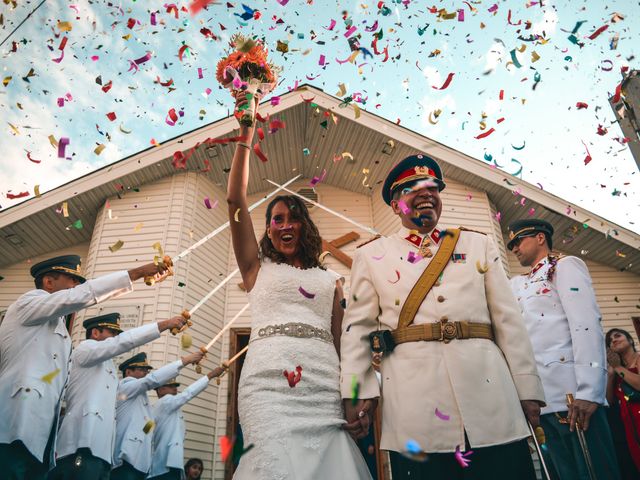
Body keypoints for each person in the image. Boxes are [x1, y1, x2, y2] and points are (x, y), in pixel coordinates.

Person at [340, 154, 546, 479]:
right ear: (395, 205)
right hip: (415, 412)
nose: (425, 192)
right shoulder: (370, 255)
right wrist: (358, 392)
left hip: (491, 400)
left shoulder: (478, 244)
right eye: (411, 188)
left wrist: (527, 389)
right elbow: (357, 332)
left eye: (432, 187)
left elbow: (509, 322)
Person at [226, 92, 371, 479]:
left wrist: (351, 399)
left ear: (304, 225)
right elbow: (234, 197)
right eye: (276, 219)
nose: (285, 224)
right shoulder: (256, 269)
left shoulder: (331, 281)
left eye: (292, 218)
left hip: (322, 384)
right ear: (268, 228)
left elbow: (345, 343)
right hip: (267, 384)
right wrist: (246, 129)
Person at [0, 254, 167, 480]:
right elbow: (83, 297)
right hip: (14, 423)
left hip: (40, 433)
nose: (77, 287)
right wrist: (136, 274)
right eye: (72, 281)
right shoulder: (28, 303)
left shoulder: (59, 331)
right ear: (48, 282)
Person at [509, 218, 620, 479]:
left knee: (594, 473)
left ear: (540, 238)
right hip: (542, 401)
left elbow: (585, 325)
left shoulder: (565, 266)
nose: (513, 247)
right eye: (510, 243)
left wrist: (590, 392)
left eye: (518, 240)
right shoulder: (517, 284)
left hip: (574, 397)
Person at [48, 312, 190, 480]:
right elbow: (146, 375)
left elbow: (144, 423)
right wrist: (164, 325)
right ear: (95, 333)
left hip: (105, 452)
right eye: (112, 333)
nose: (115, 338)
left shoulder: (109, 369)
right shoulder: (85, 350)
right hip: (82, 441)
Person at [111, 351, 204, 480]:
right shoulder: (127, 387)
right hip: (128, 458)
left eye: (146, 370)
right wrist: (188, 363)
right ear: (128, 372)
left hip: (140, 462)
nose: (145, 372)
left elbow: (147, 429)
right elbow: (154, 381)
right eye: (141, 369)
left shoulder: (150, 405)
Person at [149, 368, 225, 480]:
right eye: (171, 386)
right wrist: (209, 376)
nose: (175, 389)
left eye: (175, 386)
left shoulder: (156, 408)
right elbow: (187, 394)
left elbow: (147, 430)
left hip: (161, 463)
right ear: (160, 390)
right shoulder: (166, 401)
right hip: (167, 463)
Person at [606, 328, 640, 475]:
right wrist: (611, 375)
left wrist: (618, 367)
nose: (613, 340)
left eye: (618, 336)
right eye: (610, 341)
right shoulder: (616, 370)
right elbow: (609, 400)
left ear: (631, 340)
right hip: (629, 426)